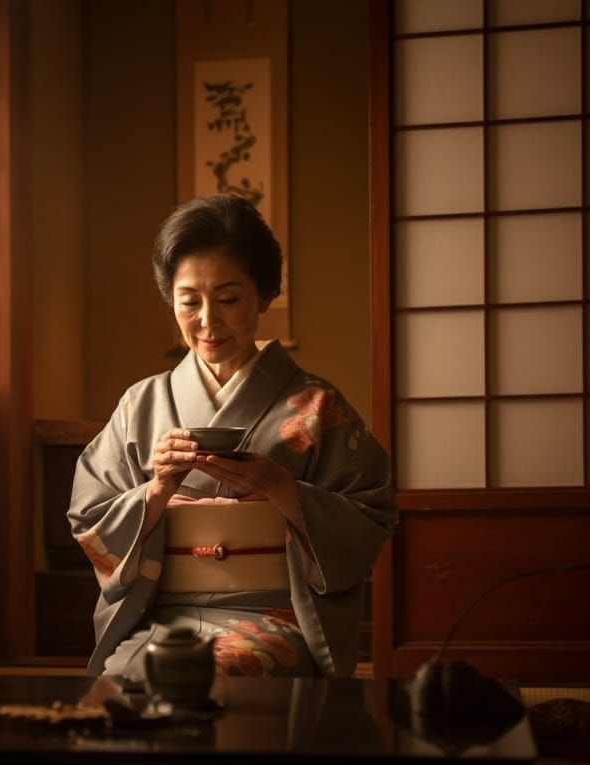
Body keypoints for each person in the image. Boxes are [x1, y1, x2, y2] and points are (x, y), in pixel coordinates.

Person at [68, 194, 397, 683]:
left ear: (263, 296)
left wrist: (281, 487)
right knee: (127, 680)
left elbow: (369, 513)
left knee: (227, 672)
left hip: (273, 615)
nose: (207, 320)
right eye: (188, 301)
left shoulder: (317, 406)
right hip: (159, 615)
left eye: (227, 299)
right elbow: (90, 515)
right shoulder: (141, 405)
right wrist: (156, 491)